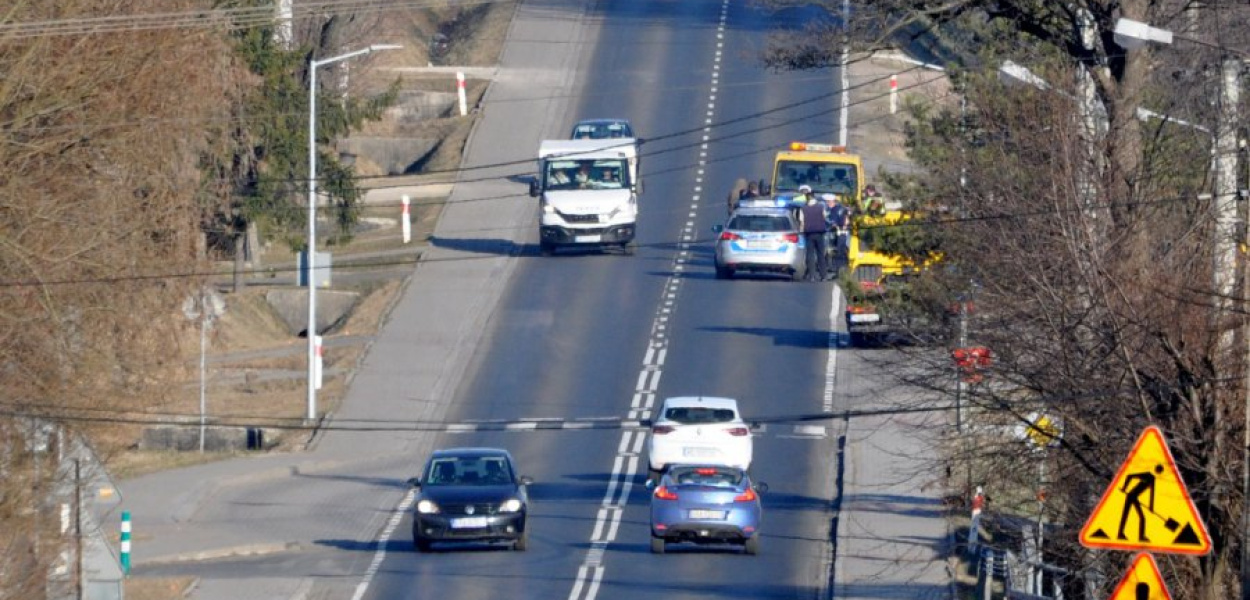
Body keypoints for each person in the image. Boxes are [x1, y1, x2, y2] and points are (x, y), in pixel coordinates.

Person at [799, 195, 830, 282]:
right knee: (821, 255)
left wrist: (801, 232)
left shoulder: (803, 208)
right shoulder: (821, 207)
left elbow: (802, 221)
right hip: (820, 233)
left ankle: (812, 276)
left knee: (810, 255)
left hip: (808, 233)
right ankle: (823, 275)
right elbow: (825, 218)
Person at [824, 193, 850, 278]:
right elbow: (847, 218)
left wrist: (837, 226)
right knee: (840, 251)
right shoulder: (840, 208)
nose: (827, 203)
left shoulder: (834, 210)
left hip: (840, 233)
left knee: (840, 252)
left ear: (831, 201)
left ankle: (839, 272)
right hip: (841, 232)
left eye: (827, 202)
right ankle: (839, 270)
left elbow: (834, 222)